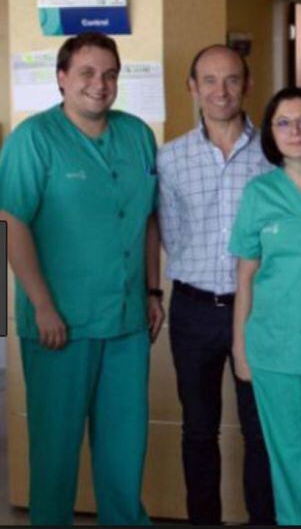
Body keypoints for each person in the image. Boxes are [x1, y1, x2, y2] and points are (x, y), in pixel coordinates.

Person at [0, 32, 159, 525]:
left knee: (124, 452)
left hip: (128, 322)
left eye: (109, 74)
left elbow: (150, 218)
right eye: (87, 73)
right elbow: (11, 220)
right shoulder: (33, 139)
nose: (100, 84)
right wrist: (42, 305)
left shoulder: (136, 134)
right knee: (54, 455)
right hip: (59, 325)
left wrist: (153, 290)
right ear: (62, 78)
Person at [157, 44, 276, 525]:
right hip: (194, 311)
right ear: (193, 87)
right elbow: (168, 233)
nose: (220, 91)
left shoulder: (274, 152)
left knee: (260, 429)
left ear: (247, 84)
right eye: (209, 80)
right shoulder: (171, 158)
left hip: (260, 310)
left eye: (231, 80)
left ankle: (264, 520)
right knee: (199, 431)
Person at [230, 87, 301, 525]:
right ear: (270, 133)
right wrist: (240, 346)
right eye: (283, 122)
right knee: (289, 456)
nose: (295, 131)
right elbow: (245, 275)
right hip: (272, 345)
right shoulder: (259, 194)